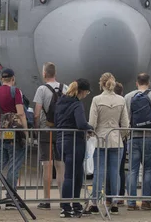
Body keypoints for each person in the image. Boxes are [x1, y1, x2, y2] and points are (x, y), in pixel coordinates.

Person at [0, 68, 27, 207]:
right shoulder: (16, 92)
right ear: (13, 79)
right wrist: (25, 131)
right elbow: (21, 113)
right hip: (14, 135)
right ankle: (10, 197)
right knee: (14, 166)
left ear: (2, 79)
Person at [87, 73, 129, 215]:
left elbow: (92, 123)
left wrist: (92, 134)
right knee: (115, 172)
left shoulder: (96, 100)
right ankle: (115, 202)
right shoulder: (121, 100)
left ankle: (94, 202)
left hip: (100, 139)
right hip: (116, 140)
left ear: (102, 84)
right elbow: (125, 124)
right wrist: (119, 136)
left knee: (99, 172)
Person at [54, 79, 93, 218]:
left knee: (76, 174)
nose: (86, 95)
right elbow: (81, 123)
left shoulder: (60, 102)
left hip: (61, 140)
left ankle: (75, 205)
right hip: (75, 141)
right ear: (82, 91)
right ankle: (66, 206)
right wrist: (90, 128)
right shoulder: (77, 104)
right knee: (72, 175)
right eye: (87, 92)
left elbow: (56, 120)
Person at [124, 73, 151, 211]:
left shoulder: (128, 97)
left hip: (133, 137)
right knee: (148, 169)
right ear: (149, 82)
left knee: (132, 170)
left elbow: (127, 117)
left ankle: (131, 202)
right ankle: (146, 201)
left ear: (136, 82)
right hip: (149, 136)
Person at [32, 62, 68, 210]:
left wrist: (36, 128)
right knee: (60, 166)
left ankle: (46, 200)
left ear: (45, 73)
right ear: (55, 73)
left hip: (46, 131)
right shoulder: (65, 88)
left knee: (47, 166)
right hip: (61, 131)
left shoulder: (41, 89)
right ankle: (62, 199)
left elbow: (37, 112)